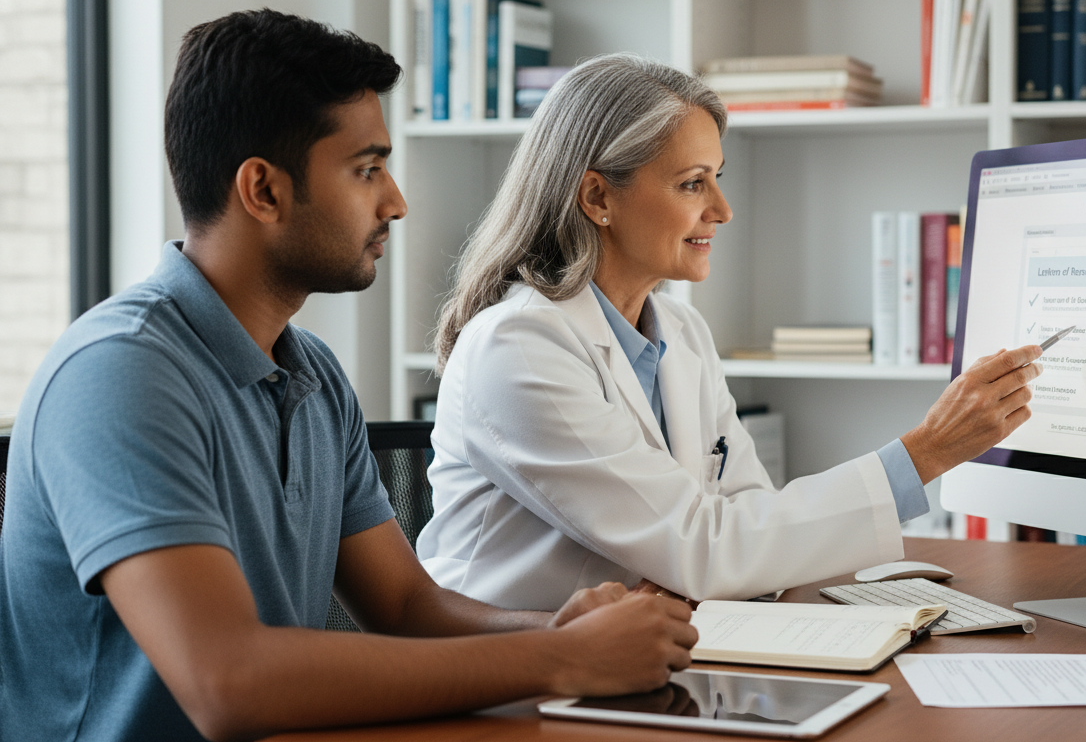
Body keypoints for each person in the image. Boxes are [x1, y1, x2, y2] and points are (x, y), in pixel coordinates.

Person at [0, 12, 696, 742]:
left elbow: (404, 609)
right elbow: (226, 682)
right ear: (263, 191)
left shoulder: (313, 374)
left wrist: (561, 628)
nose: (395, 201)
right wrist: (558, 658)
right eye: (367, 169)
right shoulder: (120, 374)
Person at [416, 53, 1043, 612]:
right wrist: (926, 452)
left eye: (718, 177)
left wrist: (710, 563)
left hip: (646, 657)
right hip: (511, 681)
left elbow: (744, 530)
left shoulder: (681, 333)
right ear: (598, 197)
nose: (721, 209)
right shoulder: (521, 346)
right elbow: (710, 549)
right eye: (692, 183)